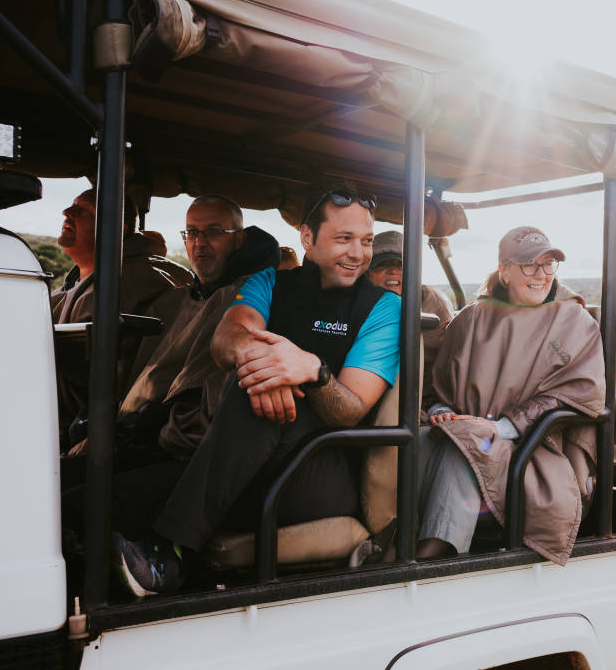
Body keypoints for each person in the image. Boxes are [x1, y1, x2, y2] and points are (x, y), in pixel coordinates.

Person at [111, 183, 401, 596]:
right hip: (238, 458)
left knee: (255, 395)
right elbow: (228, 339)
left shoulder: (383, 308)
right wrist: (269, 366)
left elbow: (351, 410)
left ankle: (171, 553)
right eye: (344, 239)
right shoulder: (271, 282)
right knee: (105, 497)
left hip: (320, 468)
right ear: (307, 238)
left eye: (366, 241)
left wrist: (310, 370)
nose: (358, 253)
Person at [412, 226, 605, 566]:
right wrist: (442, 409)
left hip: (534, 447)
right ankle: (387, 543)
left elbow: (575, 393)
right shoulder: (471, 319)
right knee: (415, 443)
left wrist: (502, 428)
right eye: (529, 265)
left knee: (468, 448)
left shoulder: (574, 321)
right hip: (468, 429)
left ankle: (431, 558)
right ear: (504, 271)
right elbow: (440, 386)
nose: (541, 275)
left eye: (548, 264)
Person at [111, 195, 280, 462]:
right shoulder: (170, 302)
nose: (200, 243)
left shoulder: (242, 302)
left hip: (169, 449)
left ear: (239, 240)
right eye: (192, 233)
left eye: (213, 232)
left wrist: (141, 426)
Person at [51, 188, 192, 438]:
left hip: (85, 428)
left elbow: (99, 374)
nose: (66, 212)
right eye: (71, 205)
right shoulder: (85, 279)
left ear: (119, 228)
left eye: (82, 211)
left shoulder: (128, 282)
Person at [366, 230, 452, 408]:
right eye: (383, 264)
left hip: (419, 398)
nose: (393, 271)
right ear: (368, 273)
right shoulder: (359, 302)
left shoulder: (431, 303)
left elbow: (441, 365)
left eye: (401, 265)